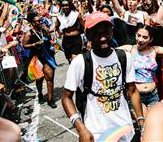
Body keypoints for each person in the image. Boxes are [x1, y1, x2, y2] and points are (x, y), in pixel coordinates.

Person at [61, 11, 144, 142]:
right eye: (96, 34)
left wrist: (141, 121)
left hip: (125, 130)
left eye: (106, 32)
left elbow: (132, 90)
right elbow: (66, 98)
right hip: (96, 133)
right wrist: (81, 128)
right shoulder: (80, 62)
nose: (103, 37)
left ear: (112, 31)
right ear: (88, 35)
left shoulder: (124, 57)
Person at [118, 23, 163, 111]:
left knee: (155, 122)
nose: (140, 39)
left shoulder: (154, 50)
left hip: (153, 95)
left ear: (151, 39)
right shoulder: (129, 49)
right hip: (136, 95)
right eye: (138, 35)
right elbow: (108, 52)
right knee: (143, 123)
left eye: (145, 37)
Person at [23, 12, 57, 108]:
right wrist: (33, 45)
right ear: (31, 23)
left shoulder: (45, 30)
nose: (39, 22)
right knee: (39, 78)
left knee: (49, 77)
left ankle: (50, 99)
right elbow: (24, 45)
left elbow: (49, 40)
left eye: (40, 20)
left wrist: (52, 42)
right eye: (36, 21)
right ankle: (40, 93)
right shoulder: (29, 33)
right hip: (36, 57)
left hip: (48, 56)